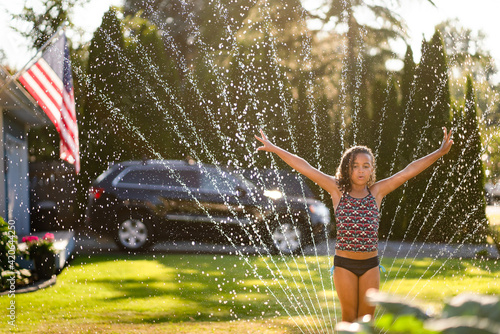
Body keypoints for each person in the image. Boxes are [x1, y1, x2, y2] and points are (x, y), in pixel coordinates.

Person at [254, 127, 453, 323]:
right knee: (349, 319)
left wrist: (439, 152)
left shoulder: (377, 192)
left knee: (367, 321)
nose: (360, 170)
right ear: (346, 168)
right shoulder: (337, 190)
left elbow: (407, 171)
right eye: (355, 166)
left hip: (370, 265)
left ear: (371, 169)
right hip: (344, 266)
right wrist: (276, 149)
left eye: (366, 166)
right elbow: (305, 167)